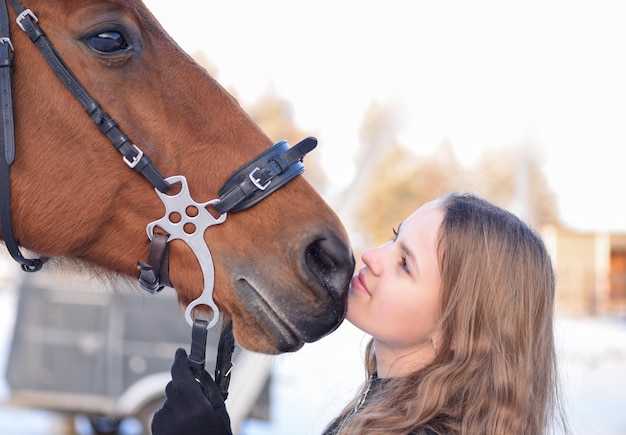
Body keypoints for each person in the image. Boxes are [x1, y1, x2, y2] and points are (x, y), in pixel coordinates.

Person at [152, 192, 568, 435]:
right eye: (393, 238)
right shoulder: (391, 410)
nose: (371, 256)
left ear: (458, 330)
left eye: (406, 264)